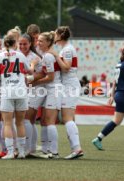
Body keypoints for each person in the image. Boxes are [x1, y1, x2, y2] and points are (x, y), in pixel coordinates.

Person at [0, 34, 33, 159]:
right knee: (20, 123)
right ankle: (22, 152)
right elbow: (30, 71)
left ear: (4, 44)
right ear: (15, 44)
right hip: (21, 91)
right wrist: (33, 64)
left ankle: (9, 152)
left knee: (7, 123)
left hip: (7, 92)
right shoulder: (21, 56)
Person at [29, 32, 62, 159]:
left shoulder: (48, 56)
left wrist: (34, 82)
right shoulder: (45, 55)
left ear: (48, 42)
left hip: (54, 89)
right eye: (38, 41)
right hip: (49, 89)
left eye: (41, 41)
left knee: (49, 121)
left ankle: (54, 152)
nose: (38, 43)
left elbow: (51, 77)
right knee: (45, 120)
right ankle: (46, 149)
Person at [53, 26, 84, 159]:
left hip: (69, 85)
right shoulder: (66, 49)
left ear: (60, 35)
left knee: (67, 118)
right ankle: (76, 148)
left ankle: (77, 149)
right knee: (68, 118)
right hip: (68, 85)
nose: (54, 36)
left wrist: (55, 55)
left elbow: (66, 68)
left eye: (55, 34)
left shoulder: (67, 49)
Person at [19, 33, 42, 155]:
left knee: (27, 119)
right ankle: (30, 148)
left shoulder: (35, 57)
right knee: (25, 120)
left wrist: (31, 78)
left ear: (30, 44)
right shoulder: (15, 54)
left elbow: (42, 73)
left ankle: (28, 148)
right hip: (17, 91)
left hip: (31, 90)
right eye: (20, 44)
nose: (22, 46)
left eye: (25, 44)